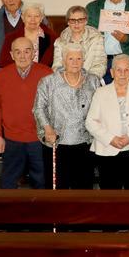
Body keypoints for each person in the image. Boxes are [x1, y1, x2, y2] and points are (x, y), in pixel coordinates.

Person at [33, 45, 100, 189]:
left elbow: (100, 108)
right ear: (63, 61)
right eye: (71, 59)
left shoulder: (93, 81)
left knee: (83, 189)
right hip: (57, 142)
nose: (75, 62)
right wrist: (48, 129)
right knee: (58, 189)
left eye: (79, 58)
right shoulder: (48, 82)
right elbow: (38, 108)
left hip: (85, 143)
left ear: (84, 60)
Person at [0, 36, 50, 189]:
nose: (22, 56)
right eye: (18, 52)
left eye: (27, 51)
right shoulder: (1, 76)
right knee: (8, 183)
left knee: (41, 182)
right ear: (12, 55)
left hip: (39, 139)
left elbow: (54, 108)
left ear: (34, 53)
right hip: (12, 140)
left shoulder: (47, 74)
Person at [86, 54, 129, 189]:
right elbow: (90, 122)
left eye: (126, 70)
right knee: (110, 196)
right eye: (118, 70)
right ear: (112, 72)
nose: (122, 74)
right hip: (108, 150)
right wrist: (111, 139)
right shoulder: (100, 92)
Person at [52, 5, 107, 78]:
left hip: (90, 79)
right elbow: (57, 66)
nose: (76, 24)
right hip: (66, 80)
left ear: (86, 21)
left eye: (80, 20)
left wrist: (87, 80)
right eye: (72, 20)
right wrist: (68, 79)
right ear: (68, 22)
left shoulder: (96, 38)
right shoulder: (60, 41)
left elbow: (99, 65)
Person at [0, 2, 55, 70]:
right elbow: (3, 63)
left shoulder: (52, 38)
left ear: (41, 18)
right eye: (29, 16)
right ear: (23, 18)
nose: (33, 20)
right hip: (17, 75)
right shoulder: (10, 38)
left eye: (36, 16)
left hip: (44, 75)